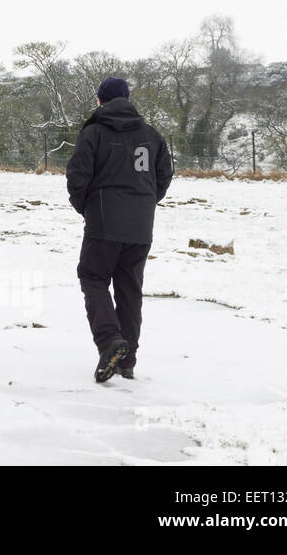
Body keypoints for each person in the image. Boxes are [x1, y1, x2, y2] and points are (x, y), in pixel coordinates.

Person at [66, 77, 173, 382]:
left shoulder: (94, 133)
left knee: (93, 277)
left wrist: (86, 207)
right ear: (128, 99)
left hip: (103, 220)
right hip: (141, 225)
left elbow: (77, 177)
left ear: (100, 101)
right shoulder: (152, 135)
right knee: (129, 289)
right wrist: (146, 202)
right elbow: (164, 176)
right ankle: (128, 361)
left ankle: (110, 340)